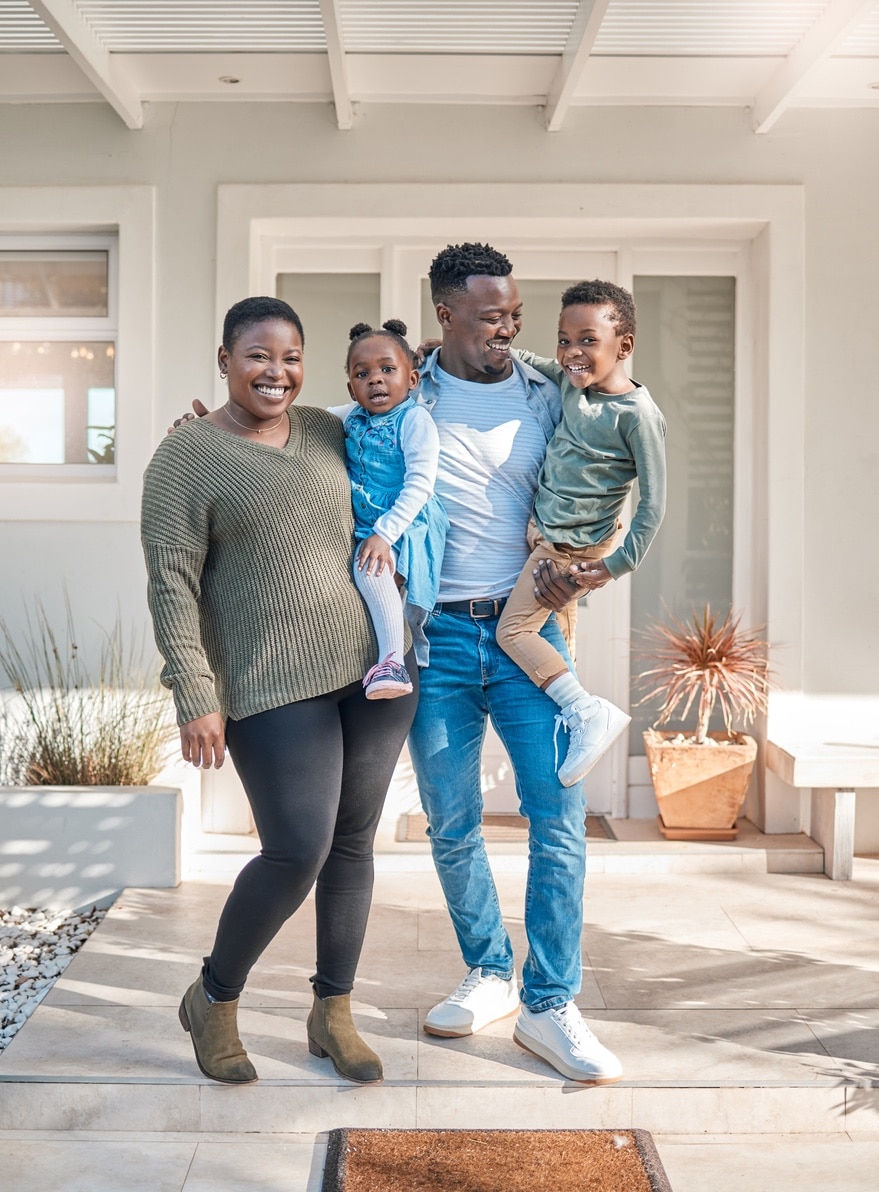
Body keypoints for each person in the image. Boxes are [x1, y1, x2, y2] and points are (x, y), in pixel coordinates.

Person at [141, 296, 417, 1087]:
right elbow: (170, 584)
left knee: (355, 843)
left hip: (372, 672)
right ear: (224, 358)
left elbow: (401, 401)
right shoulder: (186, 458)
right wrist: (194, 692)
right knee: (296, 849)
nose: (277, 371)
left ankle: (332, 1012)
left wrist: (420, 350)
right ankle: (214, 997)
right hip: (266, 683)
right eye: (259, 355)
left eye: (292, 356)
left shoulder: (331, 430)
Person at [408, 243, 624, 1085]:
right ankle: (489, 972)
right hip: (441, 640)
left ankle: (549, 1003)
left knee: (557, 820)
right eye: (491, 314)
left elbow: (610, 469)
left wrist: (592, 560)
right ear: (446, 316)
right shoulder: (406, 388)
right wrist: (214, 432)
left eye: (514, 314)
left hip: (527, 634)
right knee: (451, 819)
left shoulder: (552, 393)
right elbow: (322, 437)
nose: (508, 328)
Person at [496, 280, 667, 787]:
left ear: (625, 346)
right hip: (549, 536)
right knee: (559, 644)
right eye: (564, 339)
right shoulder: (573, 383)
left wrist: (614, 566)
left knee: (515, 632)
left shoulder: (638, 417)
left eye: (587, 340)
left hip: (571, 549)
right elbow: (536, 362)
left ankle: (588, 712)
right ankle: (575, 734)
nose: (572, 352)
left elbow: (654, 505)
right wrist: (460, 345)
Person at [330, 319, 447, 699]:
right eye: (362, 374)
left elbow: (420, 485)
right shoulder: (351, 417)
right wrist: (226, 422)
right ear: (351, 387)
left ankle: (393, 662)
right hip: (370, 524)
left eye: (387, 369)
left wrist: (385, 534)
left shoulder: (414, 420)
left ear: (412, 379)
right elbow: (295, 419)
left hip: (407, 520)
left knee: (372, 572)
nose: (375, 380)